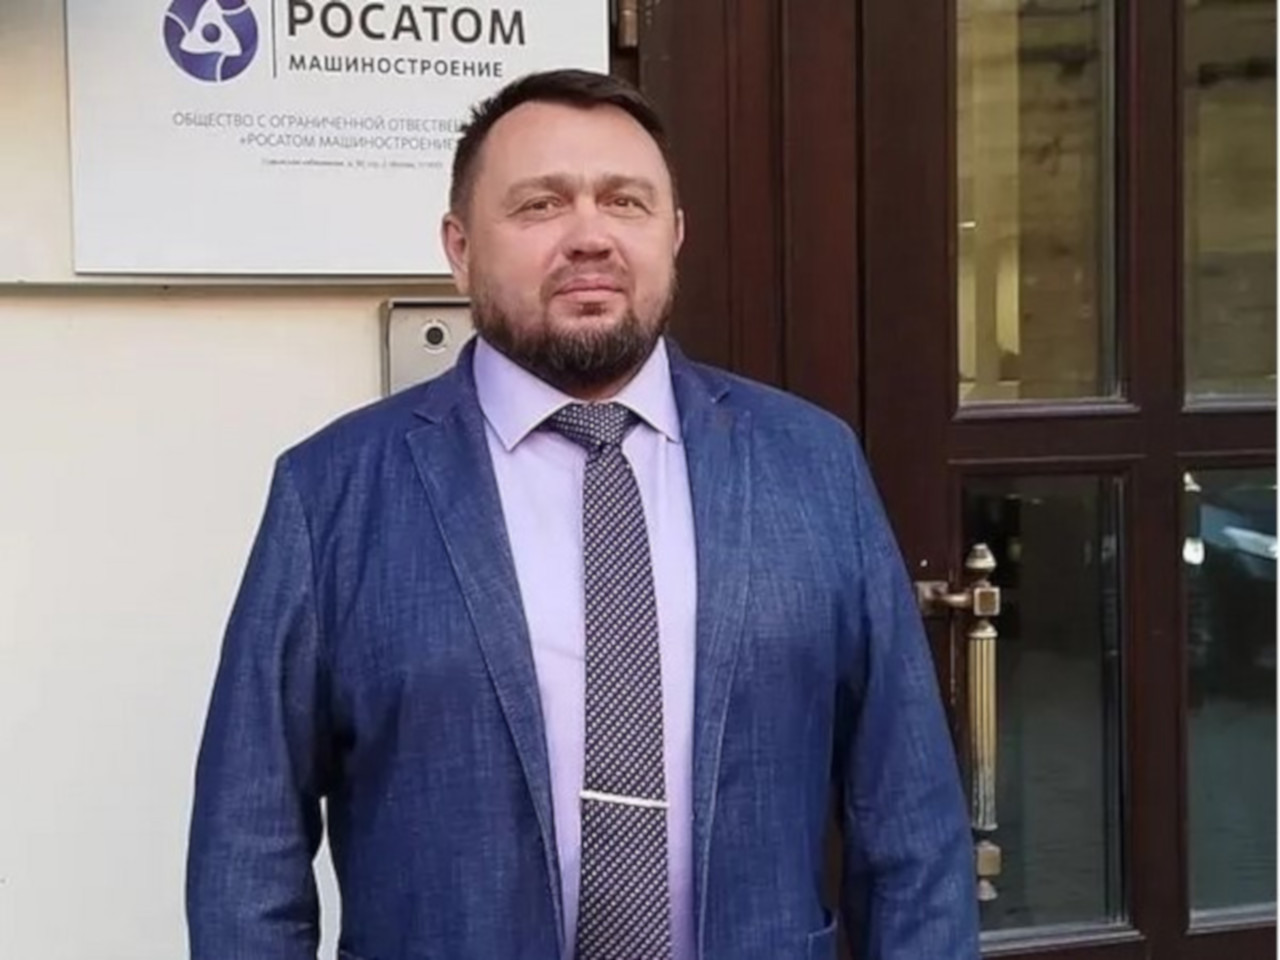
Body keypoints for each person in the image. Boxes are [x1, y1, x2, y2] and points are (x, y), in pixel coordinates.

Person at [186, 69, 979, 960]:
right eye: (541, 205)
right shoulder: (332, 492)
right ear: (460, 248)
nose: (591, 236)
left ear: (674, 236)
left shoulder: (811, 463)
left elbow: (910, 819)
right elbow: (247, 852)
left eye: (626, 202)